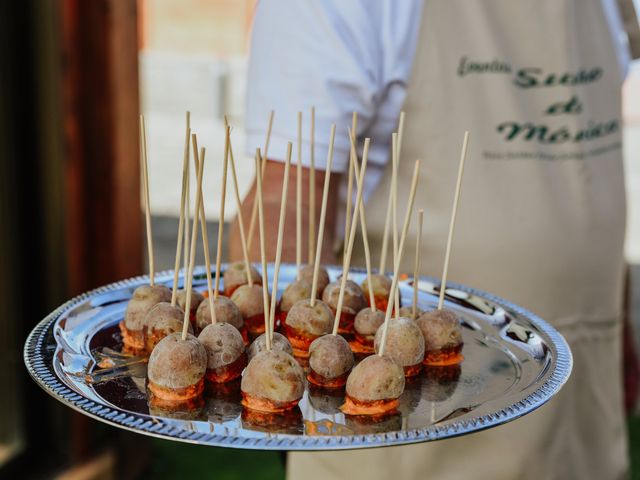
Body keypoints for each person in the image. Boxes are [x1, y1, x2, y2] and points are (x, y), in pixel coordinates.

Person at [229, 0, 636, 478]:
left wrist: (614, 319)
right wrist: (284, 384)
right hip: (405, 434)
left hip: (580, 407)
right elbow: (287, 200)